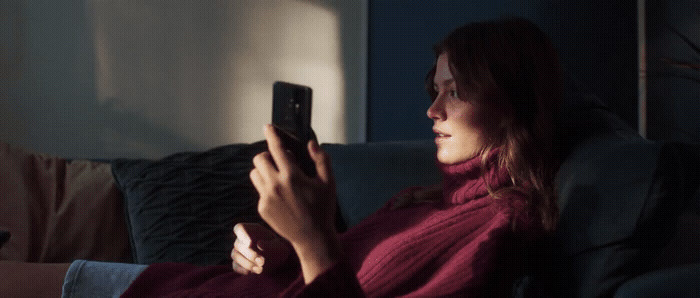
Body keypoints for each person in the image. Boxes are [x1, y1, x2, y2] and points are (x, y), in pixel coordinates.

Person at [2, 17, 563, 297]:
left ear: (508, 96)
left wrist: (314, 238)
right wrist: (280, 248)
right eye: (433, 90)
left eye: (454, 91)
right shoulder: (427, 204)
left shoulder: (501, 229)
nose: (432, 111)